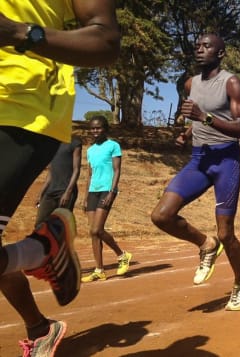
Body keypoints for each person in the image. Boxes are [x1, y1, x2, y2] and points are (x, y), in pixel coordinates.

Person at [0, 3, 120, 355]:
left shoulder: (104, 145)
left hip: (22, 109)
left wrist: (16, 33)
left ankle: (41, 250)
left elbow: (107, 40)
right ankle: (40, 255)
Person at [151, 33, 240, 311]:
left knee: (226, 234)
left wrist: (203, 118)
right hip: (199, 159)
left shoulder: (231, 83)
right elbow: (197, 117)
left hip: (225, 160)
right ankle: (205, 244)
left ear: (220, 53)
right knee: (161, 215)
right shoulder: (190, 83)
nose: (200, 49)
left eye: (207, 46)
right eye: (197, 45)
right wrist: (187, 133)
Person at [81, 115, 131, 282]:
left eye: (98, 127)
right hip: (92, 191)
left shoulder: (113, 146)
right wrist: (85, 196)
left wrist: (112, 191)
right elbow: (89, 174)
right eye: (93, 128)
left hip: (106, 190)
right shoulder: (89, 150)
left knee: (97, 229)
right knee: (93, 233)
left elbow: (117, 170)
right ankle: (99, 270)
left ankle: (122, 255)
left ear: (105, 129)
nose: (95, 131)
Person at [35, 136, 83, 227]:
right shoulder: (53, 144)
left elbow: (76, 169)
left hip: (65, 190)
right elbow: (51, 172)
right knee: (40, 224)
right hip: (51, 190)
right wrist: (41, 193)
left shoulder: (74, 142)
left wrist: (68, 192)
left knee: (61, 225)